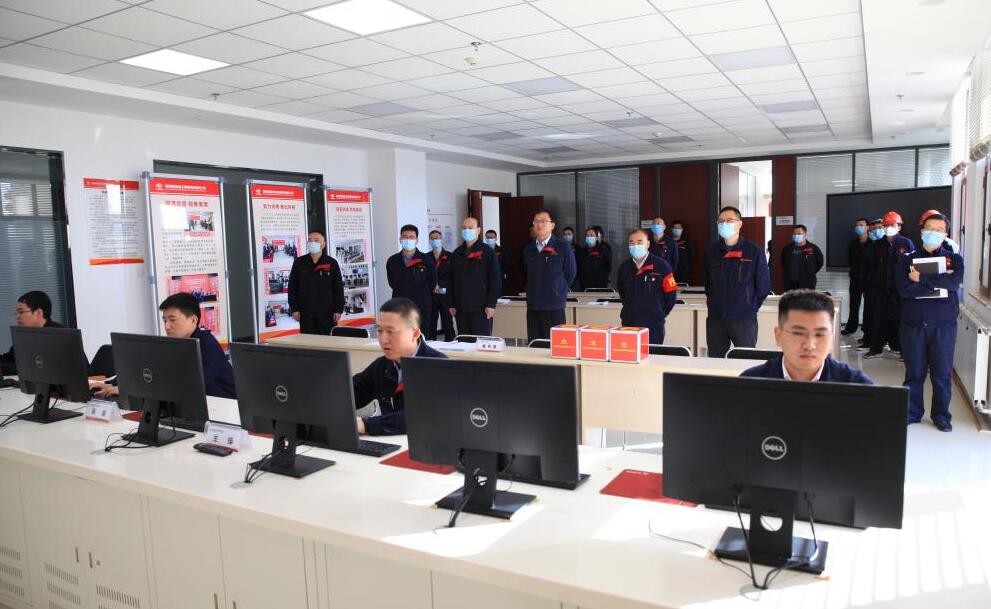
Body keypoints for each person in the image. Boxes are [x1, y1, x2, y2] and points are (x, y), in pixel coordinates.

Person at [93, 293, 236, 399]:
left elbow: (188, 385)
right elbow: (148, 370)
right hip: (196, 406)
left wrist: (128, 389)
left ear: (193, 320)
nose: (167, 326)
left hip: (226, 409)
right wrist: (114, 384)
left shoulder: (207, 346)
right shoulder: (174, 344)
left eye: (172, 320)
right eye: (165, 320)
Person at [895, 212, 962, 431]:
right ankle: (912, 412)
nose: (933, 233)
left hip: (943, 326)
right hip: (913, 325)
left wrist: (920, 278)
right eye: (930, 228)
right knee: (914, 372)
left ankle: (941, 415)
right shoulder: (906, 259)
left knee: (942, 374)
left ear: (946, 234)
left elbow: (953, 284)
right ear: (922, 230)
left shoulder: (955, 259)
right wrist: (937, 282)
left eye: (939, 230)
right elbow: (904, 289)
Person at [353, 298, 446, 436]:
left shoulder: (439, 368)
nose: (383, 339)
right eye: (380, 331)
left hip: (428, 443)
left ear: (414, 334)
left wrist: (366, 425)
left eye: (391, 332)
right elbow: (353, 392)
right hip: (392, 442)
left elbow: (421, 416)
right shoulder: (382, 365)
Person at [741, 289, 873, 383]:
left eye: (820, 334)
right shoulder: (749, 384)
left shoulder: (858, 386)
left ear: (832, 339)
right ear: (778, 336)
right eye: (798, 333)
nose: (809, 345)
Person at [703, 206, 771, 358]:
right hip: (716, 318)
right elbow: (708, 284)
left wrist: (749, 307)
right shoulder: (712, 251)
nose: (724, 224)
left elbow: (763, 287)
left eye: (729, 220)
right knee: (715, 361)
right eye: (721, 221)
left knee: (745, 359)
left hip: (743, 319)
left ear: (739, 224)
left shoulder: (754, 251)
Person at [864, 211, 915, 358]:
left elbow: (912, 266)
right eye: (886, 225)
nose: (889, 228)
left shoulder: (906, 243)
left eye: (892, 225)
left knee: (901, 320)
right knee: (878, 319)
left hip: (900, 289)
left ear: (899, 226)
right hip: (880, 289)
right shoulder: (877, 245)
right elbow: (872, 266)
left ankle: (902, 350)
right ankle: (876, 348)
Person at [522, 210, 577, 342]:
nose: (539, 225)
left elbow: (570, 273)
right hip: (534, 305)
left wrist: (557, 289)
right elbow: (525, 273)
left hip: (554, 305)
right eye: (536, 222)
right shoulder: (528, 249)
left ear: (552, 225)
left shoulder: (562, 247)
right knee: (535, 344)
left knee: (556, 344)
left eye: (543, 222)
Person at [616, 228, 678, 344]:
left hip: (653, 326)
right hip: (629, 324)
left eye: (640, 242)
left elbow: (671, 296)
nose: (635, 246)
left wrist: (658, 312)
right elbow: (622, 294)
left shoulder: (662, 266)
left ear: (648, 244)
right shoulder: (624, 268)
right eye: (632, 242)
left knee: (653, 354)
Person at [448, 217, 502, 336]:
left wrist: (491, 304)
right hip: (461, 309)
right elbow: (450, 280)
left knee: (481, 342)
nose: (467, 230)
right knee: (464, 341)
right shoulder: (456, 254)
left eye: (470, 228)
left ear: (478, 230)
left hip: (481, 309)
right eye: (464, 228)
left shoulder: (487, 252)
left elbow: (495, 280)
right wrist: (451, 303)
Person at [287, 230, 344, 336]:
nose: (312, 242)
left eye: (316, 240)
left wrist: (338, 309)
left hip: (327, 314)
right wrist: (294, 309)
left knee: (327, 342)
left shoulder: (331, 263)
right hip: (306, 313)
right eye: (310, 240)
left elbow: (338, 288)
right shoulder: (299, 262)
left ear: (323, 244)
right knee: (308, 342)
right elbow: (292, 288)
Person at [386, 224, 436, 336]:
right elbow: (392, 282)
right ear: (400, 239)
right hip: (399, 306)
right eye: (405, 237)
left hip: (421, 307)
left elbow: (432, 283)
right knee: (400, 337)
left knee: (420, 338)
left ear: (417, 240)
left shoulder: (426, 260)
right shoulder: (392, 261)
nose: (408, 240)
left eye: (411, 237)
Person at [1, 291, 62, 376]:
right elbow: (9, 358)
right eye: (17, 313)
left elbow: (32, 368)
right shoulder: (24, 334)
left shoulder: (59, 335)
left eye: (21, 312)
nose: (17, 317)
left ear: (38, 313)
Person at [856, 219, 885, 350]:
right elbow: (863, 267)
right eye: (873, 229)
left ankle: (879, 341)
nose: (875, 231)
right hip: (869, 286)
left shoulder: (887, 246)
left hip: (883, 287)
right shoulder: (868, 246)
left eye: (879, 228)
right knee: (869, 314)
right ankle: (868, 338)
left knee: (879, 316)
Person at [842, 218, 871, 335]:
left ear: (867, 227)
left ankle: (867, 330)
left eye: (861, 225)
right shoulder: (852, 244)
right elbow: (850, 260)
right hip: (855, 278)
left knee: (869, 307)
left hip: (869, 279)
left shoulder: (873, 243)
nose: (858, 227)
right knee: (853, 305)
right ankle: (851, 328)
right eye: (857, 225)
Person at [427, 230, 455, 342]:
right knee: (431, 324)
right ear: (429, 241)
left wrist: (444, 287)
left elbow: (453, 276)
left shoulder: (450, 256)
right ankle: (430, 346)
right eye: (432, 238)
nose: (435, 240)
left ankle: (451, 346)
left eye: (437, 238)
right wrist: (432, 286)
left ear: (441, 239)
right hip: (431, 296)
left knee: (448, 324)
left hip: (446, 297)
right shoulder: (426, 257)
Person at [780, 225, 824, 291]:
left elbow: (820, 262)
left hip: (807, 284)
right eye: (794, 234)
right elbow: (783, 262)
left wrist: (810, 272)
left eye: (799, 234)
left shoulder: (813, 248)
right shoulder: (787, 249)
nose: (796, 235)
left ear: (805, 235)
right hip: (790, 285)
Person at [484, 229, 507, 296]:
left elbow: (506, 265)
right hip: (485, 281)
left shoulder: (501, 250)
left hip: (498, 279)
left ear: (496, 238)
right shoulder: (482, 251)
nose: (489, 239)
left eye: (491, 237)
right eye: (487, 237)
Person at [670, 220, 693, 284]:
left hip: (683, 274)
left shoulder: (687, 243)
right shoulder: (668, 242)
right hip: (670, 274)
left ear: (682, 229)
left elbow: (691, 256)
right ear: (671, 229)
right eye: (675, 228)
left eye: (678, 228)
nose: (677, 230)